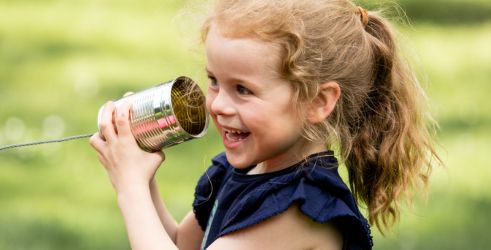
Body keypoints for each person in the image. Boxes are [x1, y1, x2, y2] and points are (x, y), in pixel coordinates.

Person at [90, 0, 441, 249]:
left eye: (243, 89)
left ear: (317, 102)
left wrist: (131, 188)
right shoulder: (240, 172)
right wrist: (143, 176)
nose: (219, 104)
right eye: (215, 80)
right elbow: (182, 245)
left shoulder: (297, 210)